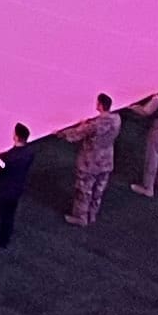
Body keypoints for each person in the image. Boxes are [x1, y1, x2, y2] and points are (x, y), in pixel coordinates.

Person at [0, 122, 39, 248]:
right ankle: (4, 240)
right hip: (16, 190)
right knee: (8, 216)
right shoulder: (29, 153)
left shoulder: (8, 157)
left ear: (16, 137)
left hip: (1, 191)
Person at [63, 95, 122, 225]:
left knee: (84, 190)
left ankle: (80, 217)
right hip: (106, 160)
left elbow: (75, 135)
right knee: (99, 189)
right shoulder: (117, 119)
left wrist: (61, 133)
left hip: (90, 161)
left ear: (100, 105)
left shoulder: (95, 125)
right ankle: (93, 214)